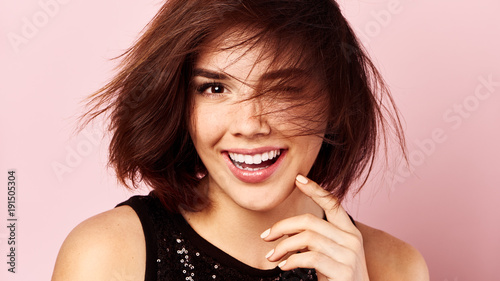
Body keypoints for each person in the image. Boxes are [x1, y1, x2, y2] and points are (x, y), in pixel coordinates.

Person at [52, 0, 429, 280]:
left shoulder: (395, 267)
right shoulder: (105, 257)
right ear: (180, 102)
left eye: (284, 89)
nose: (249, 125)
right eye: (215, 88)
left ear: (335, 101)